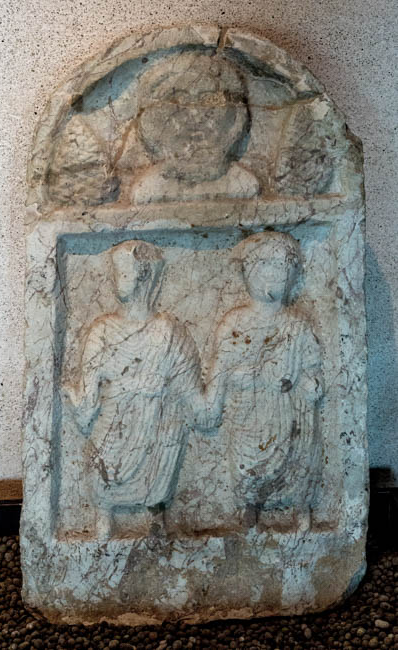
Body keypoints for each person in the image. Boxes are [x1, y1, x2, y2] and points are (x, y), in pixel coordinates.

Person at [62, 240, 209, 539]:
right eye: (117, 272)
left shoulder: (169, 331)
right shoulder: (102, 331)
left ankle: (156, 513)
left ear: (145, 276)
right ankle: (105, 514)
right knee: (103, 466)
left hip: (158, 423)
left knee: (166, 433)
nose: (118, 279)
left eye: (125, 272)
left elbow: (188, 389)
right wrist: (73, 398)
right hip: (114, 421)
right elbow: (88, 399)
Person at [206, 231, 323, 528]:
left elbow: (312, 367)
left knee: (296, 460)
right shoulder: (234, 322)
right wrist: (244, 377)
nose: (272, 274)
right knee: (249, 468)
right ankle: (250, 508)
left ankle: (300, 509)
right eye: (264, 265)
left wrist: (310, 383)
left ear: (292, 275)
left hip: (289, 411)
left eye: (281, 267)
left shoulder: (297, 324)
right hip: (248, 412)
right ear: (248, 271)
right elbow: (221, 372)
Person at [131, 51, 259, 203]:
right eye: (178, 100)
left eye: (208, 100)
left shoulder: (244, 183)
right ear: (153, 118)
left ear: (236, 117)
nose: (195, 114)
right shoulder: (148, 188)